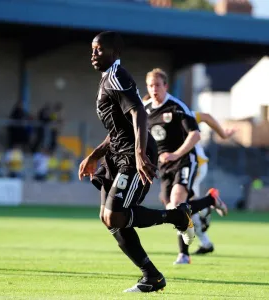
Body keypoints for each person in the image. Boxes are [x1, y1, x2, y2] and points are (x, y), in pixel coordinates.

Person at [78, 31, 194, 293]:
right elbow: (119, 127)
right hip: (117, 155)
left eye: (99, 49)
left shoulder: (117, 76)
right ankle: (151, 276)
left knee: (115, 214)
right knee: (108, 218)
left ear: (115, 52)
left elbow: (138, 112)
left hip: (132, 155)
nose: (93, 54)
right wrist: (93, 156)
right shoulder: (107, 78)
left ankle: (177, 216)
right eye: (92, 49)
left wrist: (140, 153)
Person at [144, 68, 228, 265]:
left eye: (158, 85)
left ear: (166, 86)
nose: (154, 89)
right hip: (163, 166)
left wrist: (175, 154)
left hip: (184, 160)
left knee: (178, 202)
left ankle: (184, 254)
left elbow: (196, 134)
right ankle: (210, 200)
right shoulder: (144, 109)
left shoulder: (176, 106)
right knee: (172, 208)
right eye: (151, 85)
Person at [190, 111, 235, 256]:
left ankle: (209, 202)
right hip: (180, 166)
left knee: (180, 205)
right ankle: (206, 208)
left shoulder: (174, 109)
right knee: (183, 206)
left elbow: (206, 117)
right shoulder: (151, 112)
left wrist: (223, 134)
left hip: (192, 163)